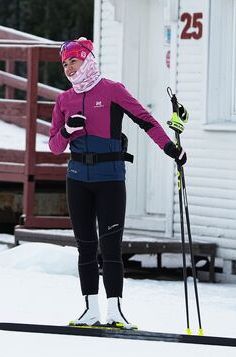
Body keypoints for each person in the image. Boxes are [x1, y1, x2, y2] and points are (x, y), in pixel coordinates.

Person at [49, 38, 186, 329]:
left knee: (111, 247)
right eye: (64, 64)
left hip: (110, 179)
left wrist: (170, 149)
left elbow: (145, 120)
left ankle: (115, 312)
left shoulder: (111, 90)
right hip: (77, 180)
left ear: (87, 59)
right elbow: (54, 146)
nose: (68, 68)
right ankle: (90, 311)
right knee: (85, 247)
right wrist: (67, 129)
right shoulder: (64, 100)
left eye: (73, 61)